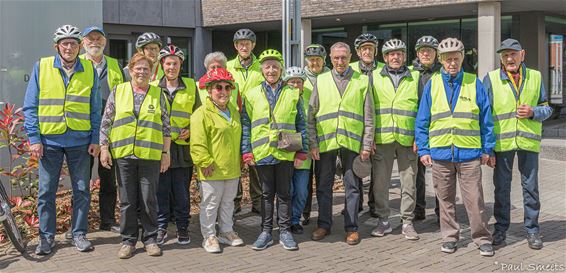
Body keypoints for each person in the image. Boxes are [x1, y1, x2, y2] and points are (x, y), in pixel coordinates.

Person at [23, 25, 101, 255]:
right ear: (57, 46)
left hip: (80, 141)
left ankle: (78, 234)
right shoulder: (42, 66)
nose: (69, 47)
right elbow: (30, 106)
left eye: (74, 43)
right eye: (64, 43)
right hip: (49, 143)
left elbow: (95, 108)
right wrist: (34, 138)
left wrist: (95, 138)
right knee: (46, 192)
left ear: (80, 46)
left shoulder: (89, 69)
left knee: (81, 190)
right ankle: (46, 238)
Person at [415, 38, 495, 256]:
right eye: (448, 59)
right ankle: (450, 237)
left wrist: (488, 149)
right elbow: (422, 119)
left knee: (475, 199)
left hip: (469, 154)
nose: (452, 63)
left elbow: (486, 120)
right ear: (441, 60)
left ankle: (482, 238)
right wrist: (424, 149)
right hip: (440, 153)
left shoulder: (473, 82)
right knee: (445, 200)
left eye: (456, 59)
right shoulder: (433, 83)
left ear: (462, 59)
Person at [99, 52, 171, 259]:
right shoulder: (118, 91)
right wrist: (104, 148)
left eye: (146, 69)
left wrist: (165, 153)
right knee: (128, 200)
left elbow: (166, 128)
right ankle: (128, 241)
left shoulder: (158, 94)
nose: (141, 72)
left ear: (151, 73)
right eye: (137, 68)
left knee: (149, 199)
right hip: (124, 155)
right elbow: (106, 121)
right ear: (130, 71)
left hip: (150, 155)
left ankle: (150, 239)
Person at [483, 38, 553, 250]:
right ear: (501, 58)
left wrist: (533, 112)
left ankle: (532, 230)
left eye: (513, 54)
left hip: (528, 142)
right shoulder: (491, 78)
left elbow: (547, 108)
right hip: (502, 144)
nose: (509, 58)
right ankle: (501, 229)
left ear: (522, 54)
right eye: (505, 55)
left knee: (530, 188)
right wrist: (488, 148)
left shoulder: (536, 76)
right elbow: (485, 116)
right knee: (501, 189)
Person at [308, 42, 374, 245]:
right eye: (336, 57)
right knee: (323, 186)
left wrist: (366, 144)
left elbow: (369, 116)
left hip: (352, 142)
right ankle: (324, 224)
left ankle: (352, 228)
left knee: (352, 186)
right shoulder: (321, 80)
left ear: (350, 57)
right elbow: (311, 114)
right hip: (326, 142)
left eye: (344, 57)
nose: (340, 61)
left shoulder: (362, 80)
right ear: (330, 57)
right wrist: (313, 143)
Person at [241, 49, 308, 251]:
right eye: (267, 67)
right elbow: (246, 124)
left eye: (275, 67)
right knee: (266, 194)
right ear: (262, 70)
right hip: (262, 152)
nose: (271, 70)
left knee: (285, 193)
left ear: (281, 70)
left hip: (286, 150)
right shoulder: (251, 94)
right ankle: (266, 232)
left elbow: (301, 124)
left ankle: (285, 231)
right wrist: (247, 150)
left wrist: (301, 151)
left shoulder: (293, 92)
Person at [370, 39, 420, 240]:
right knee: (380, 184)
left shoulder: (415, 77)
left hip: (408, 139)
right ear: (384, 57)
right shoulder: (373, 77)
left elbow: (422, 110)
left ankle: (407, 222)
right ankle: (383, 220)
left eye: (399, 53)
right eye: (391, 54)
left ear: (404, 56)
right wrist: (370, 137)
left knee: (409, 183)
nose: (396, 57)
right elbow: (369, 109)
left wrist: (419, 137)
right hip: (382, 138)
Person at [151, 45, 200, 246]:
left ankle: (182, 227)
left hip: (182, 148)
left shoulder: (190, 85)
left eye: (175, 63)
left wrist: (191, 129)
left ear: (181, 65)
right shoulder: (153, 86)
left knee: (181, 192)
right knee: (161, 191)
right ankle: (162, 227)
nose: (172, 67)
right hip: (160, 148)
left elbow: (198, 114)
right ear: (162, 64)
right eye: (168, 63)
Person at [192, 68, 244, 253]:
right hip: (211, 168)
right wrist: (204, 162)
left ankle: (227, 231)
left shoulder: (233, 111)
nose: (223, 91)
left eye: (227, 88)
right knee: (211, 203)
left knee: (228, 202)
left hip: (232, 166)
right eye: (218, 88)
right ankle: (209, 236)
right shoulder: (201, 113)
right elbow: (197, 142)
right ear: (210, 90)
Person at [80, 25, 124, 233]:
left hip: (111, 131)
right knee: (82, 180)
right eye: (90, 39)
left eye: (99, 39)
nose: (95, 42)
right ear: (83, 43)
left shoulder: (116, 65)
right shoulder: (77, 64)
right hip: (84, 130)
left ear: (105, 42)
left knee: (108, 180)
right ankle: (81, 225)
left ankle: (107, 221)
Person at [227, 29, 264, 214]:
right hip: (233, 119)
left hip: (255, 119)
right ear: (235, 46)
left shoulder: (262, 67)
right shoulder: (227, 67)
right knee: (235, 162)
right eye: (240, 43)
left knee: (254, 161)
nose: (244, 46)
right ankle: (235, 201)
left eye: (247, 43)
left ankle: (258, 201)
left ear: (253, 45)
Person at [411, 35, 441, 221]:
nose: (426, 53)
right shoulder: (410, 73)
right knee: (417, 173)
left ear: (436, 53)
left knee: (440, 174)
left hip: (438, 129)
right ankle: (419, 208)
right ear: (417, 53)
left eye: (429, 50)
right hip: (417, 129)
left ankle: (441, 212)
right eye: (422, 50)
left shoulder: (443, 72)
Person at [301, 44, 330, 226]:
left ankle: (324, 215)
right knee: (304, 179)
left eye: (318, 60)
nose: (314, 63)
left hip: (325, 134)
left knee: (323, 180)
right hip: (304, 133)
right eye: (311, 60)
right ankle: (305, 213)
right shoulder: (299, 78)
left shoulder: (330, 77)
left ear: (324, 60)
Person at [283, 66, 311, 235]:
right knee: (288, 190)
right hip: (286, 152)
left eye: (298, 82)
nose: (295, 85)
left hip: (303, 154)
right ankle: (286, 220)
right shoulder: (282, 99)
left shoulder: (309, 100)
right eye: (291, 82)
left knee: (301, 191)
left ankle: (295, 219)